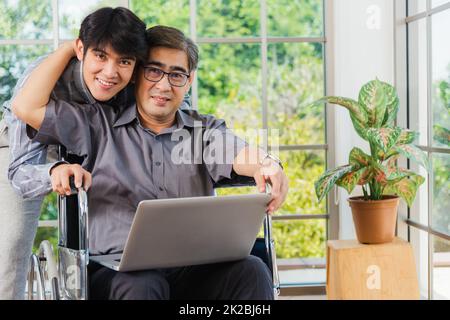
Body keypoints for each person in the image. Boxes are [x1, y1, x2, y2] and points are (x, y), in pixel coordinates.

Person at [12, 25, 289, 300]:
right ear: (136, 76)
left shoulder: (201, 132)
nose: (164, 85)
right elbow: (28, 108)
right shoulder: (95, 124)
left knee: (252, 269)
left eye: (177, 75)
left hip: (193, 269)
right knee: (143, 285)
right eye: (154, 71)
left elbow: (236, 152)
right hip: (118, 272)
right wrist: (68, 49)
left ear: (189, 80)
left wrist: (267, 163)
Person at [0, 7, 151, 299]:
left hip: (90, 139)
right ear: (80, 49)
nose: (110, 72)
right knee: (12, 243)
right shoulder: (45, 77)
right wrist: (54, 170)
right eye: (100, 56)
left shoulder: (134, 81)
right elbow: (20, 171)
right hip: (27, 151)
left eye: (124, 61)